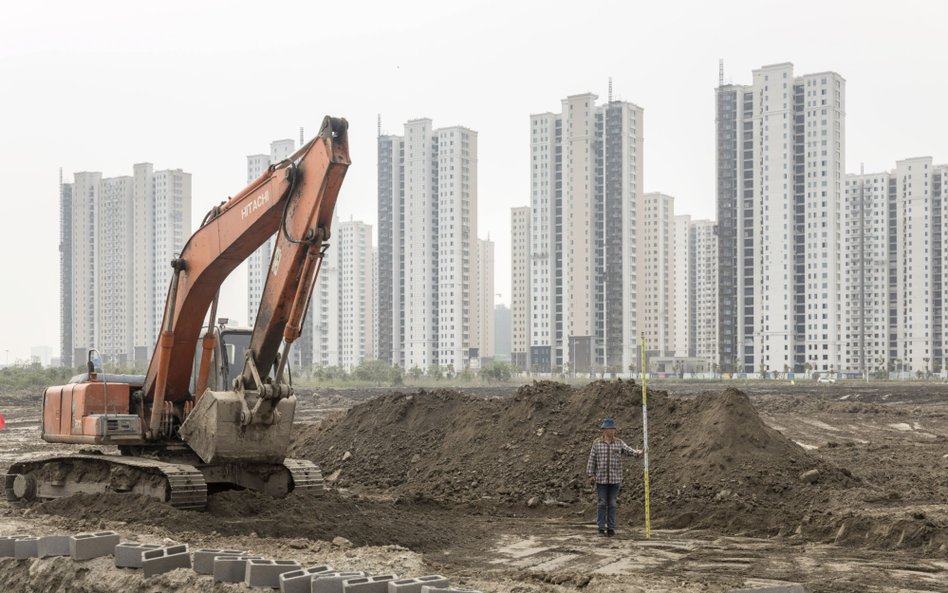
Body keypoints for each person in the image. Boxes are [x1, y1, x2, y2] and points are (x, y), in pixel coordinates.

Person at [585, 418, 642, 536]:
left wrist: (638, 453)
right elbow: (592, 459)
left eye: (613, 429)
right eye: (610, 429)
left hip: (615, 479)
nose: (612, 431)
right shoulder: (597, 443)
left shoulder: (619, 443)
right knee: (601, 503)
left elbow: (628, 451)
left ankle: (611, 528)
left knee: (612, 503)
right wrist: (590, 474)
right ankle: (601, 528)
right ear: (604, 430)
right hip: (601, 479)